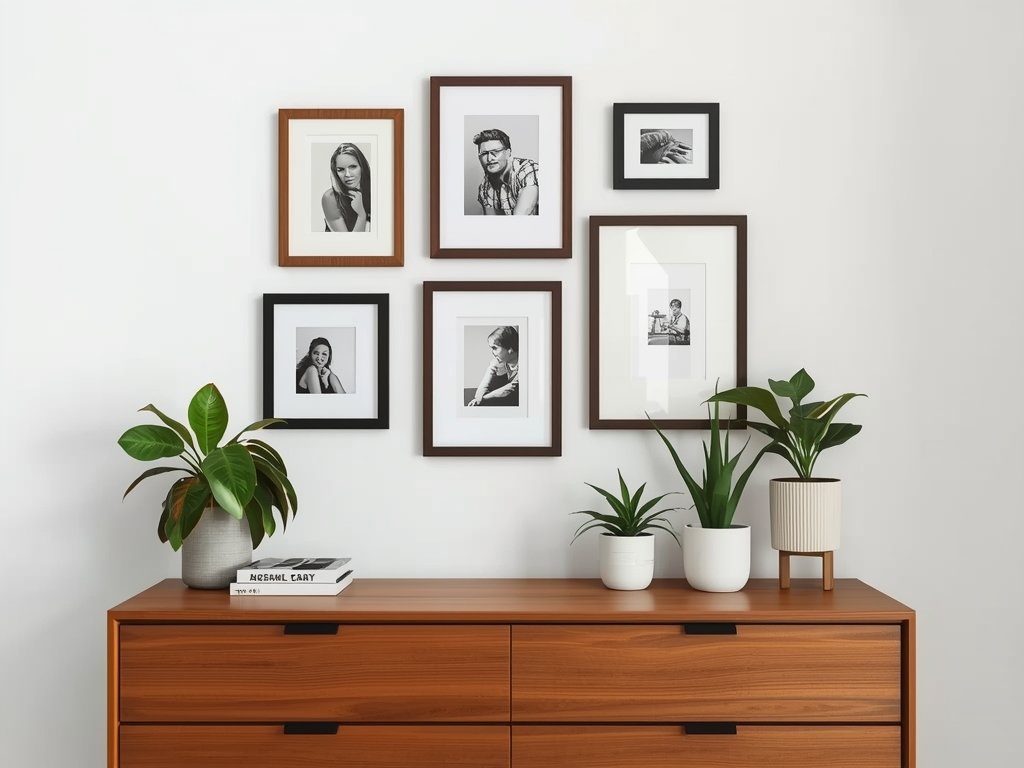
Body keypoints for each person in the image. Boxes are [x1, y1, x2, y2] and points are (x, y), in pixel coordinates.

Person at [473, 129, 539, 215]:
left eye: (495, 152)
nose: (489, 158)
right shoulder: (485, 187)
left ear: (508, 153)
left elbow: (520, 219)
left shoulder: (528, 170)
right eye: (484, 153)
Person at [322, 143, 371, 232]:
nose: (347, 175)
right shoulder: (330, 198)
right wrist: (361, 215)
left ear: (362, 167)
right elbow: (349, 242)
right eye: (340, 170)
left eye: (353, 167)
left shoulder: (375, 191)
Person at [468, 326, 520, 406]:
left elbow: (511, 388)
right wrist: (491, 367)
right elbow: (478, 395)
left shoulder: (525, 364)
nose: (492, 352)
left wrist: (484, 398)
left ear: (510, 348)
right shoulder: (499, 363)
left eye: (494, 348)